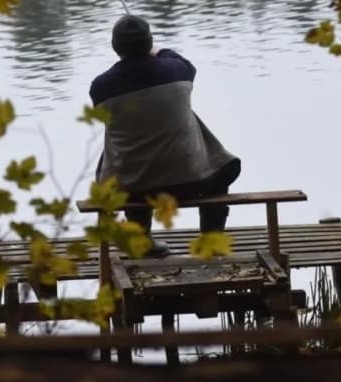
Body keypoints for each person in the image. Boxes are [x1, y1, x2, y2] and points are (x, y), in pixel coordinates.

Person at [89, 14, 241, 257]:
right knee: (224, 168)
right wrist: (157, 50)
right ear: (149, 42)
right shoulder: (177, 71)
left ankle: (142, 240)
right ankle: (211, 240)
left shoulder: (101, 87)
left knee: (130, 154)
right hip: (191, 183)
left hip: (133, 189)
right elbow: (184, 63)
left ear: (115, 47)